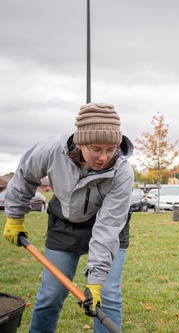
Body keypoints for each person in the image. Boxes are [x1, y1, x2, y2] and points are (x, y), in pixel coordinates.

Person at [3, 103, 134, 333]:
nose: (104, 157)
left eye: (110, 149)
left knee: (107, 294)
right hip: (64, 224)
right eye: (96, 149)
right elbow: (24, 177)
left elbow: (108, 226)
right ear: (81, 141)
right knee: (51, 293)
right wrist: (15, 217)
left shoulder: (122, 172)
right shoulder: (51, 150)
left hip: (107, 228)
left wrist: (95, 280)